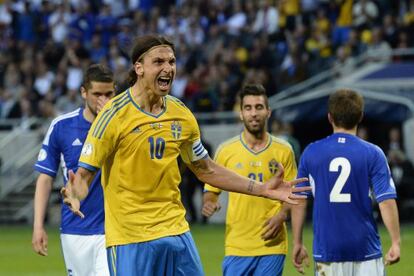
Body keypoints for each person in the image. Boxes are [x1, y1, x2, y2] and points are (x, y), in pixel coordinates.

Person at [60, 34, 310, 276]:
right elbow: (84, 175)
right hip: (131, 239)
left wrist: (263, 189)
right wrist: (74, 193)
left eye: (171, 61)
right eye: (158, 62)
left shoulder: (181, 114)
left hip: (176, 232)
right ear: (139, 68)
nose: (167, 68)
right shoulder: (113, 115)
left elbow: (206, 169)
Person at [291, 89, 401, 275]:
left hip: (327, 250)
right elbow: (386, 200)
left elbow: (299, 200)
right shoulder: (373, 153)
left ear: (329, 117)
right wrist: (396, 242)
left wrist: (298, 242)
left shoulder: (311, 152)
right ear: (360, 116)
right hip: (365, 249)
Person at [202, 84, 297, 276]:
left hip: (272, 244)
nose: (253, 113)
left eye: (258, 107)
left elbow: (293, 194)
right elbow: (211, 189)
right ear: (241, 114)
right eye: (248, 108)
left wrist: (281, 216)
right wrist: (209, 202)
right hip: (237, 246)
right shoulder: (225, 151)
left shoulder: (283, 150)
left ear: (268, 112)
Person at [32, 64, 115, 276]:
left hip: (115, 229)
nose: (103, 100)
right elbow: (45, 178)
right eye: (97, 94)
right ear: (83, 92)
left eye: (109, 94)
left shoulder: (122, 127)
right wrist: (38, 226)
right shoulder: (61, 126)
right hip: (75, 229)